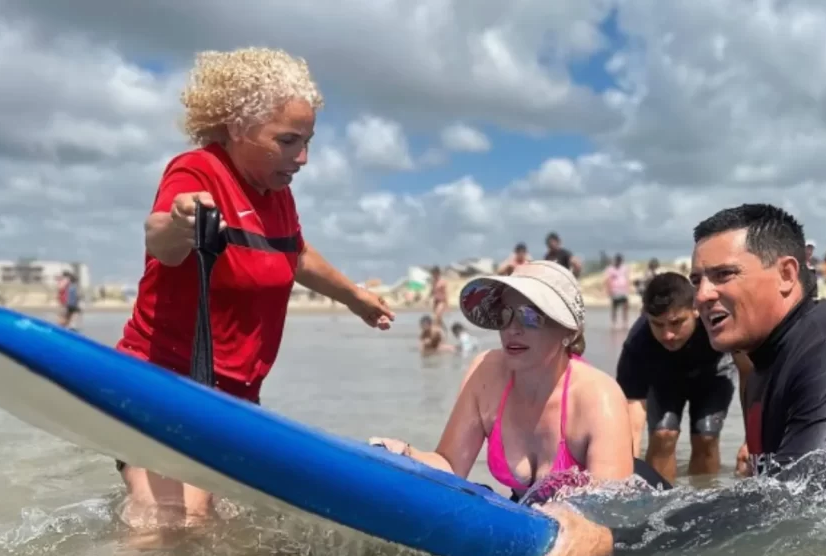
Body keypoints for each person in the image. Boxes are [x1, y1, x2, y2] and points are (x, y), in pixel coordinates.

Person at [521, 203, 826, 556]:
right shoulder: (763, 357)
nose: (702, 294)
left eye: (723, 275)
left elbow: (792, 498)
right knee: (636, 476)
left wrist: (613, 542)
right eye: (698, 278)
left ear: (787, 274)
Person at [114, 47, 394, 526]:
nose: (302, 158)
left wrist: (354, 297)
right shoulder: (197, 170)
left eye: (307, 142)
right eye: (287, 141)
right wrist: (182, 220)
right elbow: (159, 239)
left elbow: (297, 254)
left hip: (235, 403)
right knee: (173, 522)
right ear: (237, 127)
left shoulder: (277, 195)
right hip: (161, 384)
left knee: (224, 528)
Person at [369, 261, 639, 502]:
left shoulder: (598, 397)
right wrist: (406, 453)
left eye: (530, 316)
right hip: (533, 511)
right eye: (504, 315)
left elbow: (611, 514)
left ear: (568, 331)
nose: (512, 328)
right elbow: (451, 466)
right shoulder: (486, 372)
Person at [615, 272, 735, 484]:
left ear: (696, 310)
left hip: (713, 376)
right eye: (658, 325)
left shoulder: (718, 323)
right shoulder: (637, 344)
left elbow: (751, 374)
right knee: (663, 435)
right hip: (664, 380)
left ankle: (705, 500)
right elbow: (632, 419)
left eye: (676, 322)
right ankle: (659, 502)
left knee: (706, 435)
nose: (667, 335)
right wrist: (625, 473)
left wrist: (753, 440)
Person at [604, 253, 631, 327]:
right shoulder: (610, 269)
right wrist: (608, 290)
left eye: (620, 260)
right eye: (617, 260)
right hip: (615, 291)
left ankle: (625, 322)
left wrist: (628, 288)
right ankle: (614, 323)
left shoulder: (625, 268)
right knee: (614, 307)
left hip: (623, 291)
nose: (618, 262)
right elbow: (608, 280)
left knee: (626, 306)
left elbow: (627, 278)